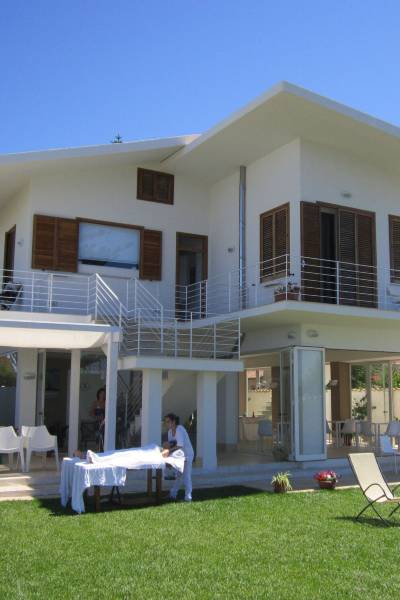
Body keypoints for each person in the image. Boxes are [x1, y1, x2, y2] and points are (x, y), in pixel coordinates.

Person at [165, 412, 194, 502]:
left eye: (168, 421)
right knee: (179, 476)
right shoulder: (170, 432)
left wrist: (168, 451)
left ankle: (188, 498)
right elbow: (172, 444)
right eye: (166, 422)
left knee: (186, 476)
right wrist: (166, 447)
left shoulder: (180, 429)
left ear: (173, 422)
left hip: (187, 455)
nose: (167, 424)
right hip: (180, 456)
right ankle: (173, 494)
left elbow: (179, 445)